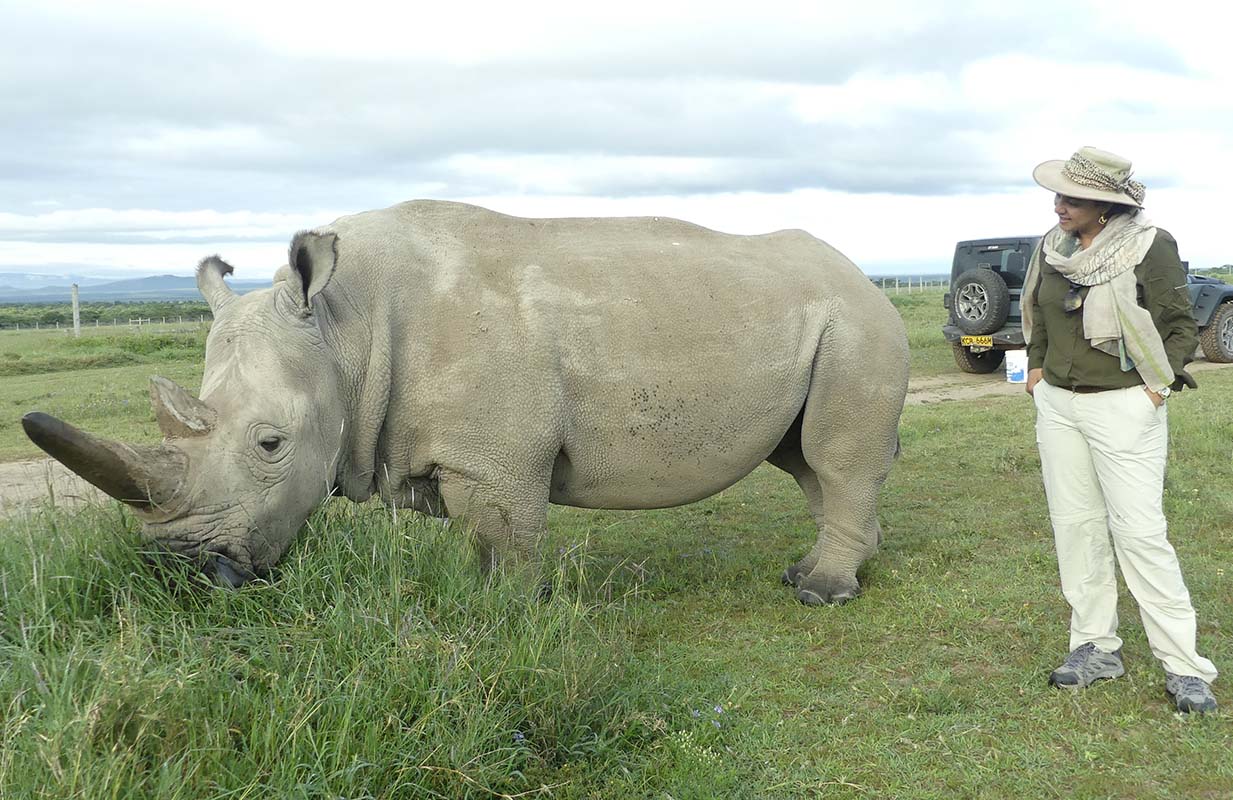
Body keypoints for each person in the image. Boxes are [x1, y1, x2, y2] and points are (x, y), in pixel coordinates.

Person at [1023, 146, 1218, 713]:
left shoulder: (1148, 245)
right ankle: (1094, 645)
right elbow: (1039, 312)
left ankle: (1184, 667)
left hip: (1124, 405)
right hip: (1059, 405)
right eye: (1057, 195)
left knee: (1140, 535)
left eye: (1072, 198)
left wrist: (1156, 387)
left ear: (1104, 206)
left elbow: (1178, 325)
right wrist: (1037, 370)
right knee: (1075, 526)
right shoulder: (1052, 248)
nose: (1058, 205)